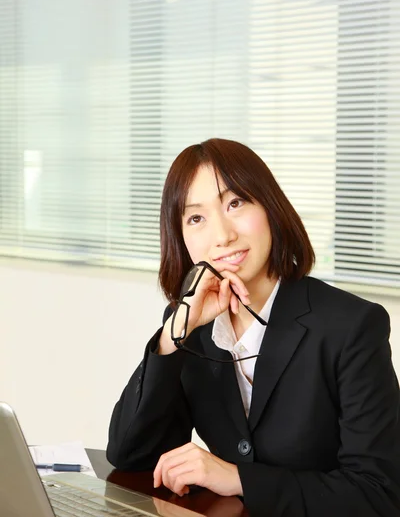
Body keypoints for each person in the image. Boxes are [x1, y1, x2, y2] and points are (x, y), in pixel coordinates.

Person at [107, 138, 400, 517]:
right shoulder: (192, 327)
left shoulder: (351, 327)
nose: (223, 235)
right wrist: (172, 335)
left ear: (270, 207)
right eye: (196, 218)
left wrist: (239, 479)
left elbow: (378, 494)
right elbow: (129, 453)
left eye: (235, 203)